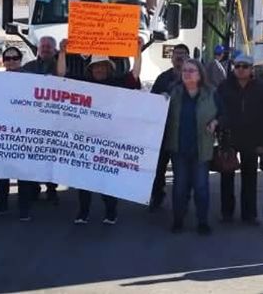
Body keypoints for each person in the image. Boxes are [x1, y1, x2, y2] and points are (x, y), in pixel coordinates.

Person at [56, 38, 143, 225]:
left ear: (109, 68)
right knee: (83, 180)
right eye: (96, 67)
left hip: (108, 140)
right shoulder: (83, 83)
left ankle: (111, 212)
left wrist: (138, 50)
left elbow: (134, 74)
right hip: (86, 138)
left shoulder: (117, 82)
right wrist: (62, 52)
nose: (99, 70)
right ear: (91, 69)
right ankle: (83, 212)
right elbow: (62, 76)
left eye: (102, 67)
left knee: (107, 178)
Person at [164, 59, 218, 235]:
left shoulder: (211, 93)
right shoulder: (174, 92)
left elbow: (225, 113)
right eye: (185, 70)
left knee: (201, 187)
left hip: (201, 149)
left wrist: (216, 121)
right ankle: (178, 220)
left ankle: (202, 221)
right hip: (178, 148)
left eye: (192, 70)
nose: (187, 73)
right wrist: (161, 102)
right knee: (179, 186)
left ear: (200, 74)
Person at [216, 54, 263, 225]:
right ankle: (226, 213)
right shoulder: (224, 87)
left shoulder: (261, 88)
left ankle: (249, 215)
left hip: (252, 138)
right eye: (237, 66)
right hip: (229, 136)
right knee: (227, 174)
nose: (241, 69)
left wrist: (262, 142)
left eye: (245, 66)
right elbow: (217, 110)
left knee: (250, 176)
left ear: (252, 69)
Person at [0, 47, 35, 221]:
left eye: (14, 58)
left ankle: (24, 209)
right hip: (3, 132)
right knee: (2, 173)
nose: (11, 61)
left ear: (20, 59)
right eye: (7, 59)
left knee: (23, 174)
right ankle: (0, 206)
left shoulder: (30, 79)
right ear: (3, 61)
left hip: (23, 132)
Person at [149, 43, 190, 210]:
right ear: (172, 58)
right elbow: (151, 100)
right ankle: (157, 197)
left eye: (183, 54)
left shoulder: (194, 77)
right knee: (158, 170)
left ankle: (182, 203)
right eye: (176, 53)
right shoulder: (163, 78)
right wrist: (160, 97)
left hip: (183, 134)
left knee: (182, 172)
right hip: (163, 133)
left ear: (188, 57)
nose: (179, 56)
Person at [21, 35, 60, 203]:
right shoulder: (28, 67)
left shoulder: (60, 67)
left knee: (51, 157)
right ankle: (34, 187)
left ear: (55, 49)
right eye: (43, 46)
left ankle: (52, 189)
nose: (45, 49)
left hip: (53, 120)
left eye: (49, 47)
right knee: (33, 155)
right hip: (33, 119)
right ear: (38, 48)